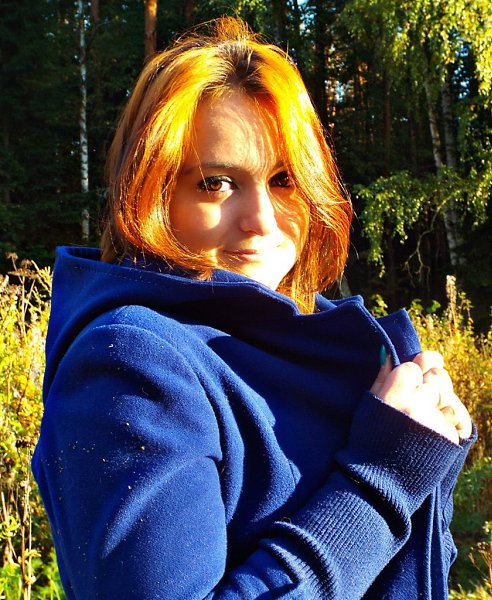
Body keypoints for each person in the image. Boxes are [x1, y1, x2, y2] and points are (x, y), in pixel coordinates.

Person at [32, 17, 474, 600]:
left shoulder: (307, 339)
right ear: (151, 191)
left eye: (284, 179)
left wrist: (428, 454)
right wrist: (382, 482)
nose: (261, 220)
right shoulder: (133, 364)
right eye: (216, 183)